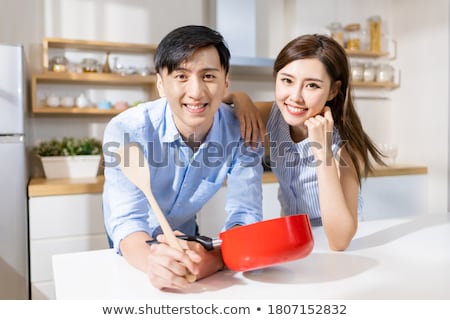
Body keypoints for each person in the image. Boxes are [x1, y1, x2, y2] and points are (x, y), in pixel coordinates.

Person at [102, 25, 263, 290]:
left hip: (184, 229)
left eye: (208, 76)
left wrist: (216, 259)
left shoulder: (242, 132)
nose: (196, 92)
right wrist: (153, 261)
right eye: (181, 76)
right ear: (160, 84)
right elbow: (128, 220)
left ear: (226, 82)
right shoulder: (127, 130)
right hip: (134, 239)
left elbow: (245, 214)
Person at [226, 34, 385, 251]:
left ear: (333, 90)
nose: (295, 97)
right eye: (287, 80)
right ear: (276, 77)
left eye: (311, 85)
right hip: (293, 236)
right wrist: (239, 97)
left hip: (333, 245)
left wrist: (323, 152)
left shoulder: (347, 144)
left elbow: (340, 241)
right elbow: (216, 110)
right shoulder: (273, 115)